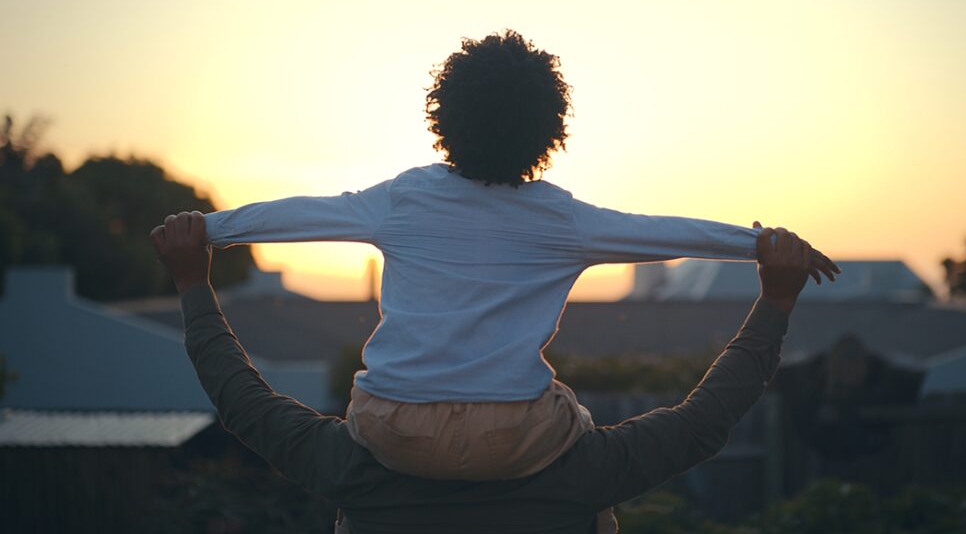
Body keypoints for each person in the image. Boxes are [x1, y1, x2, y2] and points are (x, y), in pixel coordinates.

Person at [195, 32, 839, 531]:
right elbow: (664, 232)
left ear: (445, 117)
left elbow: (301, 217)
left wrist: (209, 234)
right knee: (572, 416)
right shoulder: (559, 217)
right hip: (520, 438)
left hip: (392, 428)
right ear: (545, 130)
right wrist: (760, 248)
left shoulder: (403, 199)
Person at [152, 211, 812, 533]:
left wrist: (192, 283)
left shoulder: (357, 470)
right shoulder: (579, 475)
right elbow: (702, 423)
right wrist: (775, 301)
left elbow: (243, 403)